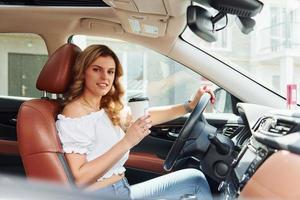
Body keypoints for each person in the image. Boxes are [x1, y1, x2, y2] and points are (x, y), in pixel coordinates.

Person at [56, 44, 215, 200]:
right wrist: (127, 141)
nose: (105, 77)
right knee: (195, 184)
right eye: (96, 70)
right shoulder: (75, 112)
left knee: (195, 180)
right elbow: (80, 178)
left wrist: (190, 105)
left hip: (122, 189)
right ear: (83, 72)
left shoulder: (105, 107)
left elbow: (146, 117)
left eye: (110, 72)